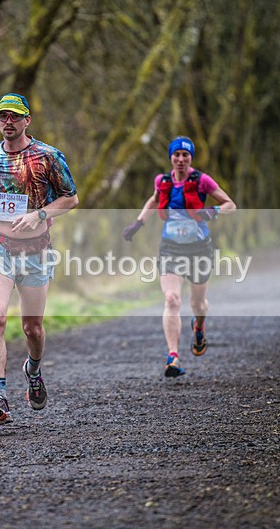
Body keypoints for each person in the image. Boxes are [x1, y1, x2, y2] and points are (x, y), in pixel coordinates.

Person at [0, 93, 78, 425]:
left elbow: (71, 199)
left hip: (35, 252)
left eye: (15, 116)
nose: (8, 122)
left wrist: (39, 215)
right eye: (2, 116)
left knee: (33, 328)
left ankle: (34, 369)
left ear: (27, 120)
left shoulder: (48, 156)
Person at [123, 136, 236, 378]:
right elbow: (153, 201)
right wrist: (138, 223)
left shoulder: (202, 180)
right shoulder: (162, 181)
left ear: (191, 158)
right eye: (177, 155)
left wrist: (212, 211)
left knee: (198, 304)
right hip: (171, 248)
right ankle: (172, 356)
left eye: (186, 155)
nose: (181, 159)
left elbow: (230, 205)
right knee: (172, 299)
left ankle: (199, 325)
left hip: (198, 249)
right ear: (171, 157)